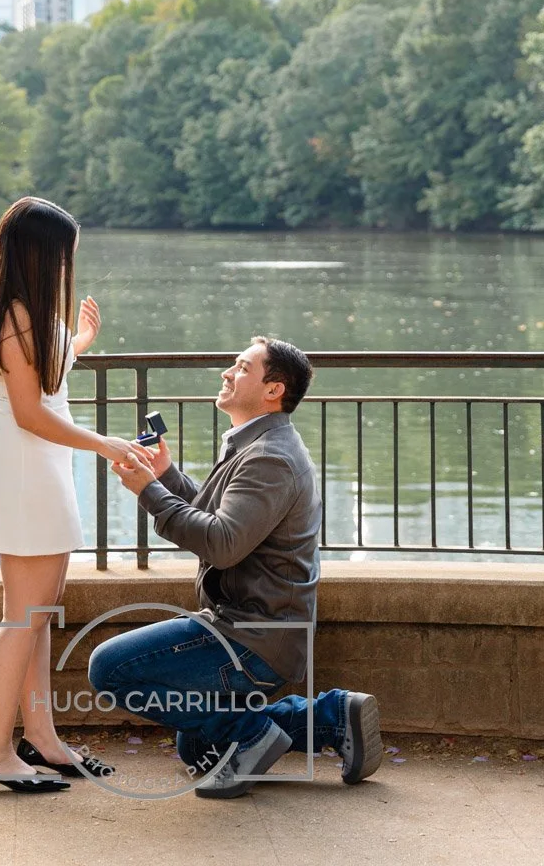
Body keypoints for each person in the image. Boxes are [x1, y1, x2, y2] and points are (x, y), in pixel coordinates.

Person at [88, 335, 383, 799]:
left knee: (109, 669)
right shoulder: (259, 443)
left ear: (273, 390)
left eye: (243, 368)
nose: (228, 372)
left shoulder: (270, 458)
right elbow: (223, 525)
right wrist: (166, 475)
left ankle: (253, 733)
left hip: (253, 636)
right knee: (198, 748)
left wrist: (149, 491)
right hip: (247, 624)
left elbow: (222, 545)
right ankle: (328, 717)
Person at [0, 195, 155, 793]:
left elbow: (44, 375)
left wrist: (79, 342)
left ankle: (40, 740)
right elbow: (29, 413)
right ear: (41, 256)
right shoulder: (16, 319)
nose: (68, 266)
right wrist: (104, 443)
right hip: (23, 464)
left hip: (35, 466)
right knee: (24, 617)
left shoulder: (25, 315)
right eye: (64, 255)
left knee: (38, 613)